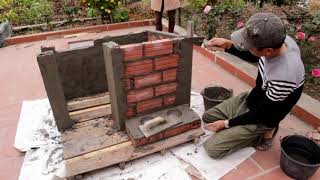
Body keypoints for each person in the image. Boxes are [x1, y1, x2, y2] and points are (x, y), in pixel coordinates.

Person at [203, 12, 305, 158]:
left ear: (268, 51)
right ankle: (240, 122)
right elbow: (254, 54)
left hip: (265, 116)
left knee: (212, 149)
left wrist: (226, 124)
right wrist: (228, 46)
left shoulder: (285, 75)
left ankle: (266, 132)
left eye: (249, 45)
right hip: (254, 99)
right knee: (208, 117)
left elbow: (262, 112)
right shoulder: (280, 40)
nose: (245, 47)